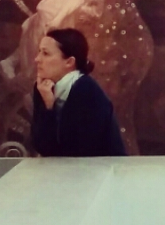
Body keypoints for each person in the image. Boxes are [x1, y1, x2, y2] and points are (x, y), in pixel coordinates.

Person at [31, 28, 127, 157]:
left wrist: (50, 109)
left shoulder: (87, 91)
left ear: (69, 62)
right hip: (65, 168)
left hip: (102, 167)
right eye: (39, 52)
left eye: (46, 53)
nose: (37, 59)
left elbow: (78, 150)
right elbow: (41, 146)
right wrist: (48, 106)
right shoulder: (43, 89)